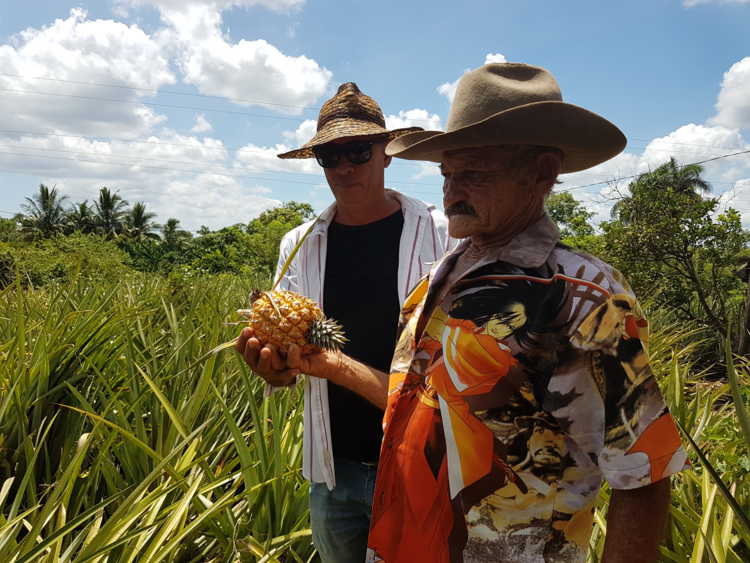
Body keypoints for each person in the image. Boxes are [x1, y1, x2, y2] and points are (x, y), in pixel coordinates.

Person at [249, 63, 689, 562]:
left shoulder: (582, 296)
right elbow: (411, 406)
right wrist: (321, 365)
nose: (452, 191)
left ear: (543, 171)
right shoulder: (439, 279)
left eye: (473, 174)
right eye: (447, 174)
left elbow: (642, 475)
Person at [235, 81, 453, 563]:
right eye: (329, 157)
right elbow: (288, 365)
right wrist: (272, 366)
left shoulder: (441, 235)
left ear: (386, 153)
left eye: (357, 150)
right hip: (333, 469)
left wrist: (330, 364)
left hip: (425, 465)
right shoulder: (299, 242)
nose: (345, 166)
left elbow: (458, 366)